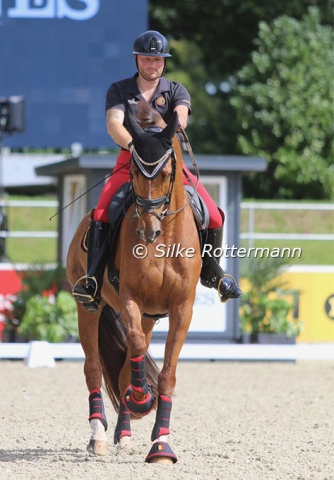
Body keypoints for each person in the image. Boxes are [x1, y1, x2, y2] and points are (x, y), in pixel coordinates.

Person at [73, 30, 241, 312]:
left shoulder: (176, 90)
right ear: (137, 60)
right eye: (147, 59)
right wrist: (136, 146)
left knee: (212, 215)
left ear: (164, 63)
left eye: (158, 60)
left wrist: (156, 144)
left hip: (168, 166)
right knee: (101, 212)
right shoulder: (119, 90)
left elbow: (181, 119)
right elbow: (114, 123)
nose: (153, 65)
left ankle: (213, 272)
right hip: (130, 162)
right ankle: (92, 280)